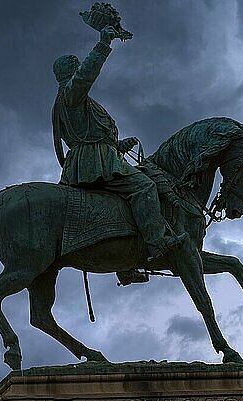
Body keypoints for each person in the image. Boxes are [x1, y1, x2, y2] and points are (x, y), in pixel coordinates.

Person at [52, 26, 187, 265]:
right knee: (144, 186)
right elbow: (86, 75)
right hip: (94, 162)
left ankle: (125, 264)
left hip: (99, 157)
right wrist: (103, 44)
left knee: (120, 199)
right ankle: (157, 243)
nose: (79, 72)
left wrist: (118, 145)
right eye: (76, 68)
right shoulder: (71, 94)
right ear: (70, 72)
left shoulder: (70, 100)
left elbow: (91, 134)